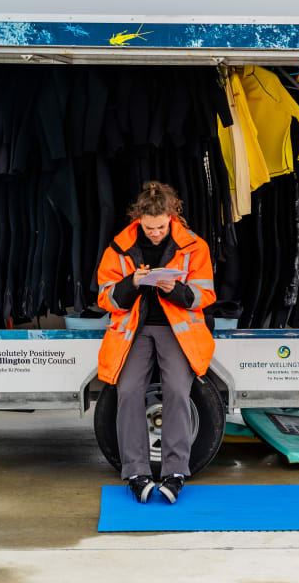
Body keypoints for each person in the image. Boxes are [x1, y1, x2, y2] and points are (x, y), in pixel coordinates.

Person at [96, 181, 217, 504]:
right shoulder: (118, 247)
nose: (154, 233)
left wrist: (172, 289)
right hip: (134, 331)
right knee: (129, 391)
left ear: (172, 216)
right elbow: (106, 298)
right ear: (138, 220)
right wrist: (132, 283)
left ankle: (176, 471)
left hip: (176, 331)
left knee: (178, 390)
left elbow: (205, 295)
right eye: (149, 228)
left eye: (161, 227)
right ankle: (136, 472)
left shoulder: (195, 246)